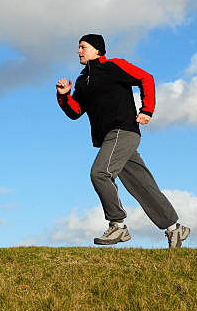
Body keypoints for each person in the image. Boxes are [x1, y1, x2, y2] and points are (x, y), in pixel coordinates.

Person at [56, 34, 190, 248]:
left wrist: (147, 110)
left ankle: (117, 225)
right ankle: (175, 228)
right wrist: (64, 96)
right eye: (78, 47)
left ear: (97, 49)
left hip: (123, 131)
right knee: (143, 185)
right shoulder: (82, 81)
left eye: (83, 47)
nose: (78, 51)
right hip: (109, 139)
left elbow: (146, 78)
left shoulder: (114, 66)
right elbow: (76, 111)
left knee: (100, 173)